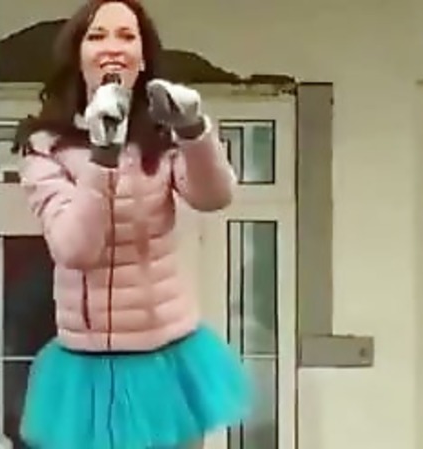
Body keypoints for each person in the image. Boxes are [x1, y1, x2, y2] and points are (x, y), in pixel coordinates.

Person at [13, 1, 252, 448]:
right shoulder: (46, 146)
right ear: (78, 56)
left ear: (143, 59)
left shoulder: (161, 132)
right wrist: (102, 154)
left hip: (168, 356)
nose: (113, 48)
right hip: (88, 367)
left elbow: (214, 196)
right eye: (97, 36)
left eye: (127, 36)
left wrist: (193, 130)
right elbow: (76, 248)